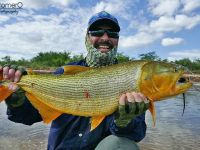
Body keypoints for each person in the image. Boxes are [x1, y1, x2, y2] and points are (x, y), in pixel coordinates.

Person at [0, 11, 149, 150]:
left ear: (117, 40)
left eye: (112, 33)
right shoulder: (64, 73)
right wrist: (16, 103)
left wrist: (125, 121)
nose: (105, 38)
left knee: (122, 144)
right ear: (87, 37)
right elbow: (29, 117)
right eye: (97, 32)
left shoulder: (131, 77)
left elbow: (136, 135)